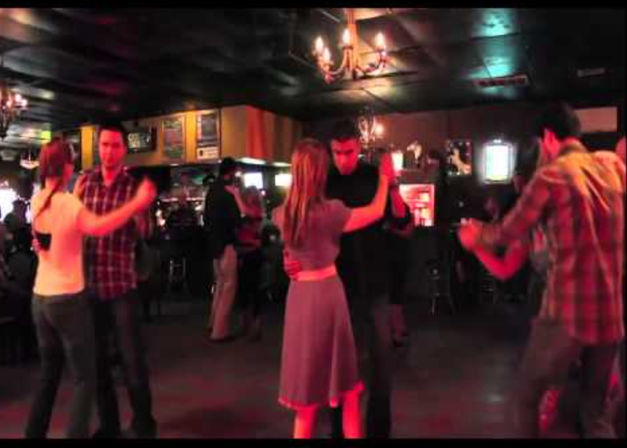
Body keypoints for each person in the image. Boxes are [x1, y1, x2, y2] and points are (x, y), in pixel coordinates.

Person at [458, 102, 625, 438]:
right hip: (611, 313)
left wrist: (475, 236)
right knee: (595, 411)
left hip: (568, 313)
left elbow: (505, 234)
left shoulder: (551, 175)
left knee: (525, 398)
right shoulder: (611, 166)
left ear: (548, 137)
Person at [285, 120, 411, 438]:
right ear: (330, 151)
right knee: (337, 373)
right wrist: (290, 259)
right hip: (337, 290)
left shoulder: (373, 175)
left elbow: (403, 222)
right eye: (338, 153)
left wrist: (391, 184)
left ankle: (379, 432)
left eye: (349, 152)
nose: (343, 159)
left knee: (381, 368)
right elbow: (298, 229)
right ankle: (339, 433)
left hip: (375, 284)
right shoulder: (320, 183)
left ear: (359, 146)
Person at [24, 138, 156, 438]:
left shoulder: (38, 199)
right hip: (67, 300)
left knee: (48, 377)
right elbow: (100, 227)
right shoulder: (68, 202)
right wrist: (136, 203)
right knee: (85, 379)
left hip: (40, 300)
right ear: (67, 165)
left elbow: (50, 241)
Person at [75, 123, 158, 438]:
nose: (108, 151)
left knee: (133, 364)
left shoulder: (130, 186)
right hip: (91, 285)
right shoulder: (85, 183)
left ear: (124, 150)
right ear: (99, 147)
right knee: (97, 365)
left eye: (115, 146)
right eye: (104, 145)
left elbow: (147, 233)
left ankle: (144, 425)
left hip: (122, 285)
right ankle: (108, 425)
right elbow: (76, 226)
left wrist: (141, 210)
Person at [203, 157, 241, 342]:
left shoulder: (211, 190)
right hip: (226, 243)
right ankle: (220, 331)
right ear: (232, 171)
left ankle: (212, 322)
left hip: (212, 244)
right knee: (228, 286)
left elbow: (205, 218)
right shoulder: (228, 191)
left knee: (219, 284)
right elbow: (237, 219)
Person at [233, 186, 265, 341]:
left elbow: (248, 216)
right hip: (245, 252)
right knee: (244, 290)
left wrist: (236, 195)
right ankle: (247, 324)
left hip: (251, 253)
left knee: (253, 290)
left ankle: (254, 326)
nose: (250, 198)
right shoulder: (249, 211)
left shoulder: (255, 211)